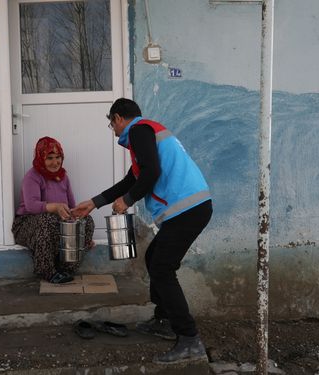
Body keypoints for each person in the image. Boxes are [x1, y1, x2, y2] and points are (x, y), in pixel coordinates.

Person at [71, 98, 213, 363]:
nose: (112, 129)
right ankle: (164, 320)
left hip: (188, 209)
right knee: (154, 259)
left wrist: (128, 200)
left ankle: (190, 339)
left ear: (118, 118)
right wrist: (93, 203)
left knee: (162, 267)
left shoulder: (138, 131)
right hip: (192, 207)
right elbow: (132, 179)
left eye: (111, 123)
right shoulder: (147, 133)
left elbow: (151, 172)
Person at [13, 136, 94, 284]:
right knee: (47, 219)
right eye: (49, 158)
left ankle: (66, 269)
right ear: (40, 158)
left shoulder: (63, 177)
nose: (55, 162)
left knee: (86, 220)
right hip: (27, 225)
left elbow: (72, 207)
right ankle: (47, 271)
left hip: (55, 223)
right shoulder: (32, 176)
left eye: (58, 157)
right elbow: (31, 206)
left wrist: (81, 233)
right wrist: (55, 207)